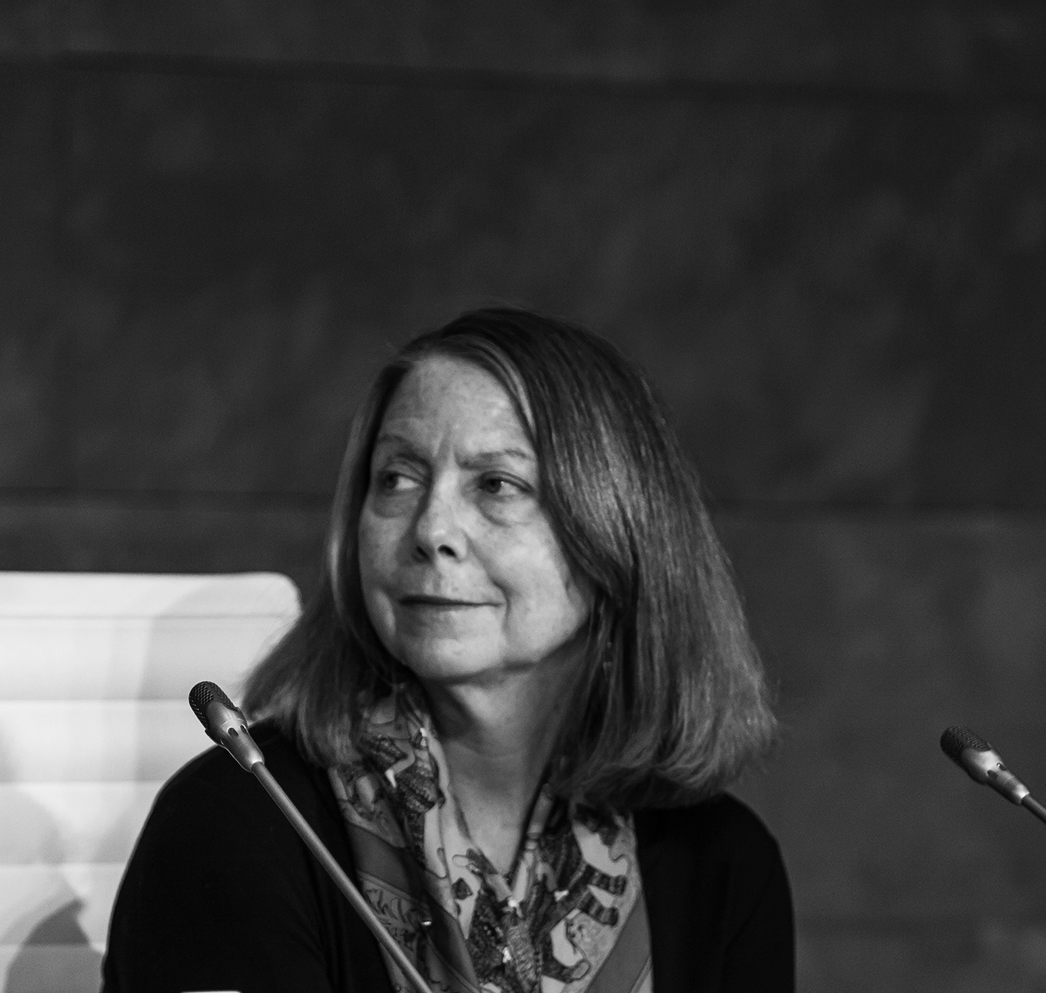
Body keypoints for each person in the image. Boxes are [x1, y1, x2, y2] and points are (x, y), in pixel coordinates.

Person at [101, 308, 794, 993]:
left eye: (497, 485)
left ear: (618, 530)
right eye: (397, 478)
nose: (432, 528)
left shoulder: (720, 865)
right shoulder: (237, 824)